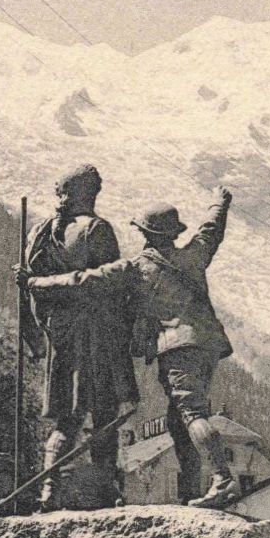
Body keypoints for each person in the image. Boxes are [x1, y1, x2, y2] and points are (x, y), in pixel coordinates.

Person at [24, 186, 241, 509]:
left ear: (146, 233)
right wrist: (220, 201)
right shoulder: (194, 254)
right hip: (208, 346)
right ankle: (192, 491)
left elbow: (83, 279)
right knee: (177, 419)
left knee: (191, 413)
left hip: (176, 348)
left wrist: (36, 283)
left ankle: (222, 480)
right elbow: (212, 228)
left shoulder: (136, 268)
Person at [21, 164, 140, 510]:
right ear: (91, 193)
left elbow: (32, 288)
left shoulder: (40, 233)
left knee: (66, 419)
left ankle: (49, 488)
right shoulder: (96, 230)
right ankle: (108, 490)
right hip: (97, 336)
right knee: (104, 413)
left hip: (62, 337)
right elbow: (108, 286)